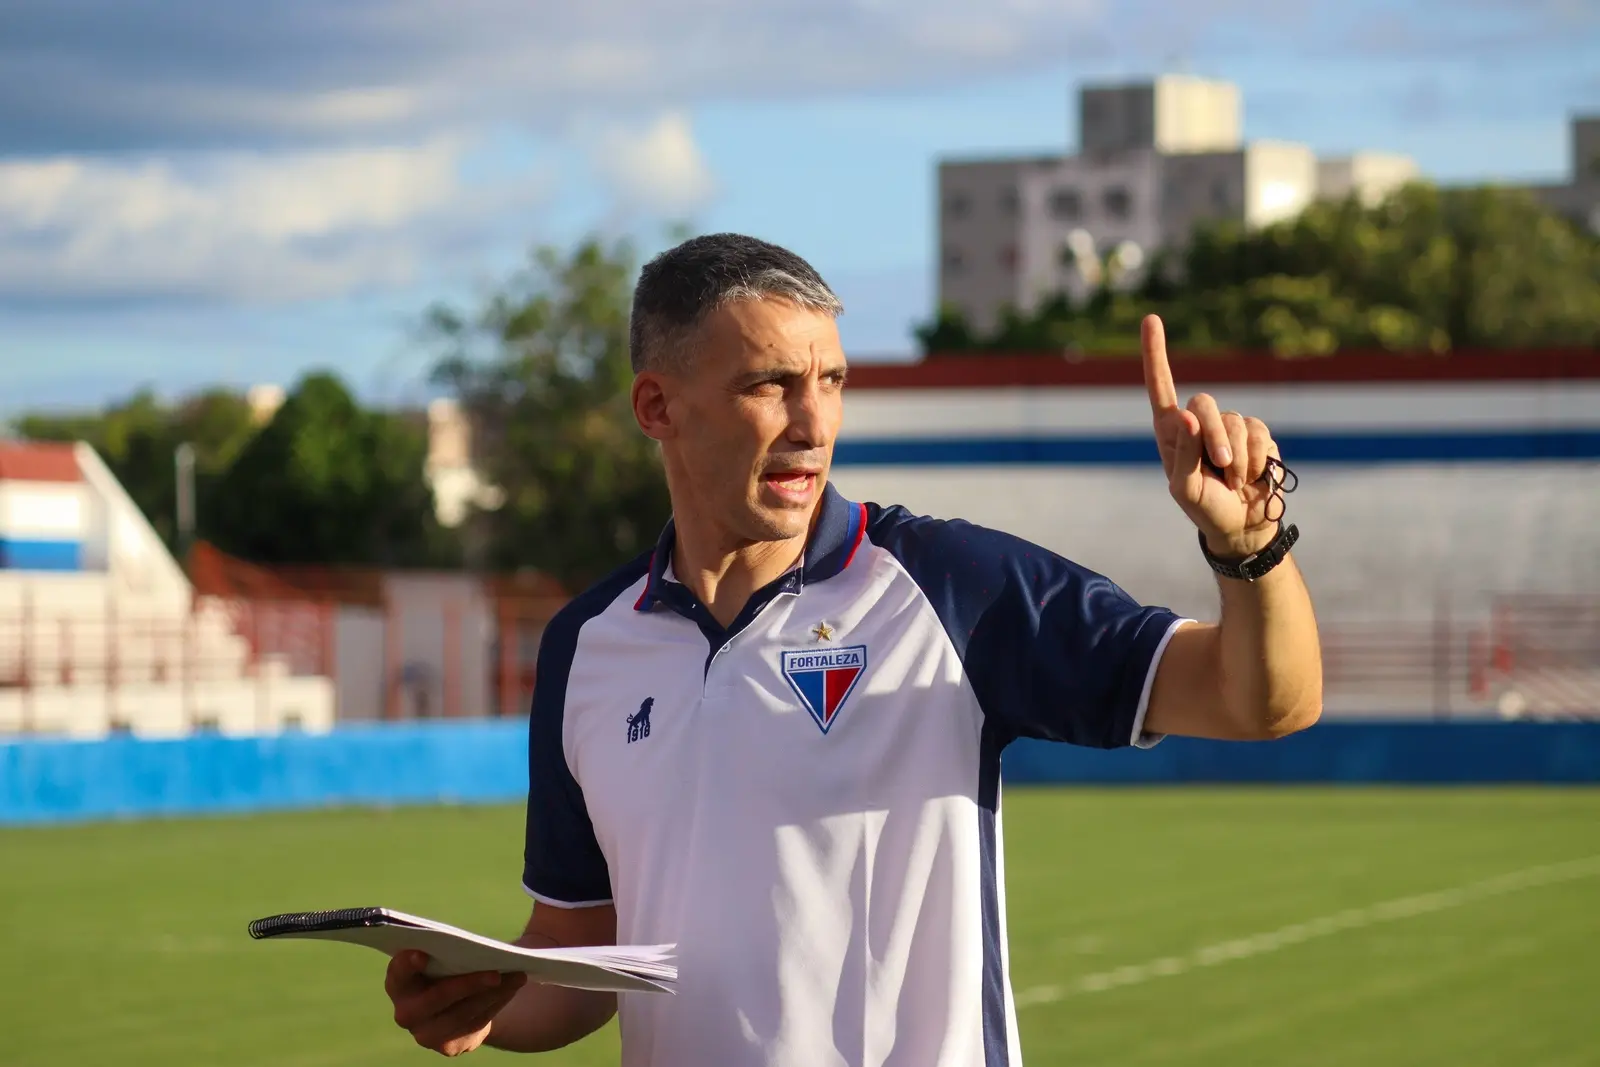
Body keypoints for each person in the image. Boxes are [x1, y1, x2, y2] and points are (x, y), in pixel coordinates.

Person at [384, 233, 1323, 1065]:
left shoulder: (952, 587)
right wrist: (484, 1002)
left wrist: (1249, 549)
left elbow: (1264, 701)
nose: (814, 423)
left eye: (830, 380)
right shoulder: (587, 646)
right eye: (770, 385)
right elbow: (583, 953)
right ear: (657, 406)